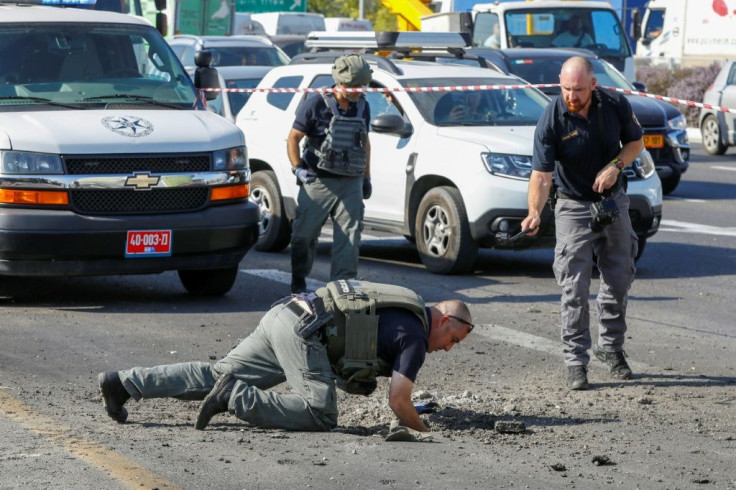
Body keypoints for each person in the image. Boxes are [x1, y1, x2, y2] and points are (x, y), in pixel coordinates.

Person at [98, 280, 474, 433]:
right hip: (305, 334)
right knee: (321, 413)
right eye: (452, 338)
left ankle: (123, 383)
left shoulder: (405, 302)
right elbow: (399, 400)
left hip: (288, 313)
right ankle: (235, 397)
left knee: (214, 374)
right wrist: (423, 432)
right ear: (442, 319)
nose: (447, 348)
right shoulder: (413, 337)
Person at [520, 56, 644, 390]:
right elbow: (541, 175)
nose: (571, 96)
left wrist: (615, 166)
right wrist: (534, 212)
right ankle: (576, 361)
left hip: (611, 200)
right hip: (573, 205)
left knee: (619, 277)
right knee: (574, 286)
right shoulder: (552, 118)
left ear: (593, 84)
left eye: (577, 89)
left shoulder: (615, 103)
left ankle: (612, 349)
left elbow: (636, 143)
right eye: (565, 89)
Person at [286, 54, 373, 294]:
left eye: (361, 87)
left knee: (349, 237)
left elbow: (365, 143)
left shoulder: (363, 106)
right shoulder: (315, 103)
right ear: (340, 83)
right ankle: (298, 278)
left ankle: (342, 288)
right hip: (317, 180)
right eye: (353, 86)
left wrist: (366, 177)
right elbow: (294, 138)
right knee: (303, 235)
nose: (357, 91)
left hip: (350, 181)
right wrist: (298, 168)